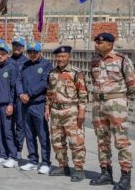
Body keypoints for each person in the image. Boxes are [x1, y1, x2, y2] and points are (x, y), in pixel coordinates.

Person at [89, 33, 135, 190]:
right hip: (98, 104)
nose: (96, 44)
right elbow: (94, 80)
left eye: (100, 42)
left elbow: (134, 86)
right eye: (96, 42)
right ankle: (105, 172)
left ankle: (125, 177)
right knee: (102, 140)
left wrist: (118, 97)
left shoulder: (122, 59)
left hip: (116, 103)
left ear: (110, 44)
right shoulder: (94, 60)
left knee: (121, 141)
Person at [45, 45, 88, 182]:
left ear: (69, 57)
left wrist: (81, 112)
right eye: (58, 56)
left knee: (76, 142)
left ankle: (79, 169)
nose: (60, 59)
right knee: (57, 141)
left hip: (71, 111)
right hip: (56, 111)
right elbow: (49, 93)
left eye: (63, 56)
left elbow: (83, 94)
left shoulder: (76, 73)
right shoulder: (52, 73)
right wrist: (47, 108)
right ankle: (63, 166)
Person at [18, 41, 52, 174]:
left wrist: (29, 94)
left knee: (42, 134)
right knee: (29, 134)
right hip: (25, 104)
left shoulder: (46, 65)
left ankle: (45, 162)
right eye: (30, 52)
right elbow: (18, 81)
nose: (32, 54)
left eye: (34, 52)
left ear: (40, 53)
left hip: (38, 103)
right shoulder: (24, 65)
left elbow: (44, 83)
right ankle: (32, 160)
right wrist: (21, 94)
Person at [0, 42, 21, 168]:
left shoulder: (12, 67)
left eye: (3, 54)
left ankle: (13, 156)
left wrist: (11, 104)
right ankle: (2, 155)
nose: (0, 56)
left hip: (7, 104)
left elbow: (13, 88)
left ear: (8, 54)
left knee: (8, 131)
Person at [11, 37, 29, 159]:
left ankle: (18, 148)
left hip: (20, 98)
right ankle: (9, 147)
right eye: (15, 46)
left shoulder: (26, 62)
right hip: (8, 97)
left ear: (23, 48)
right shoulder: (8, 60)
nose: (16, 48)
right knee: (8, 125)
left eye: (19, 46)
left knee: (20, 125)